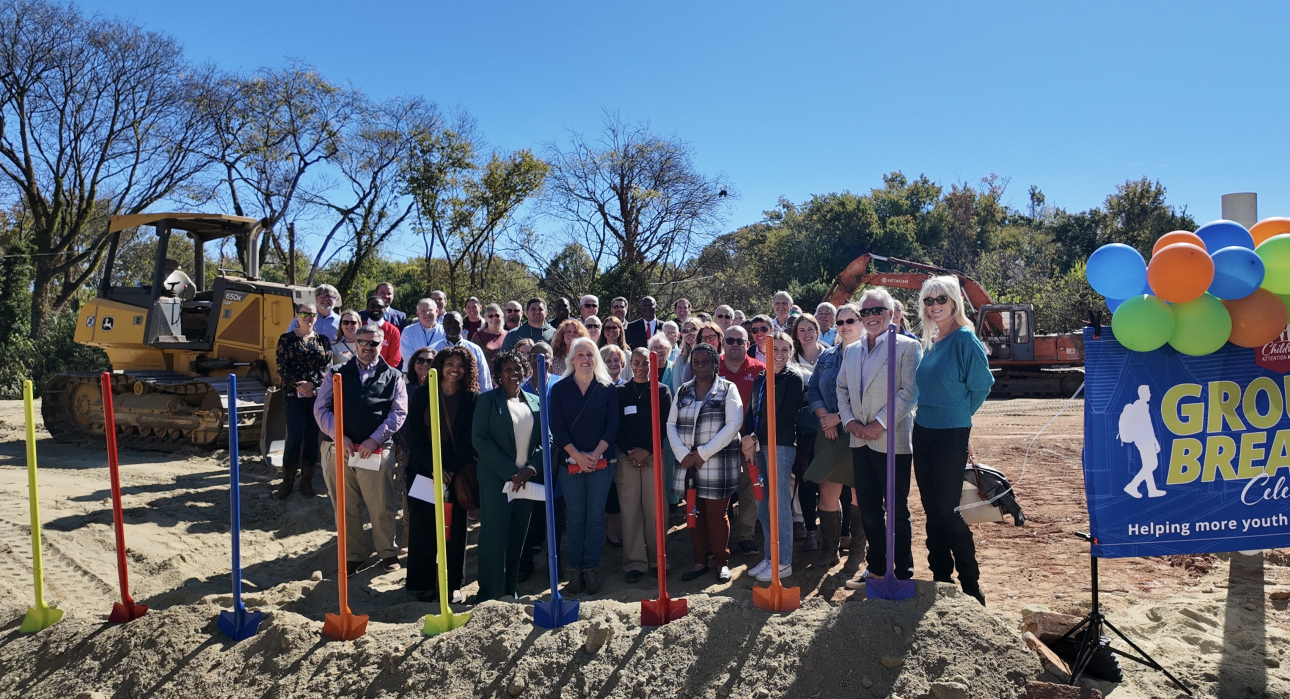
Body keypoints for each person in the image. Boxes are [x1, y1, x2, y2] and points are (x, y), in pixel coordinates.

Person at [913, 275, 994, 605]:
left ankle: (971, 585)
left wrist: (961, 421)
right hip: (923, 431)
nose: (934, 306)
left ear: (954, 302)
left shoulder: (964, 339)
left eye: (941, 299)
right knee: (932, 509)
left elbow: (982, 385)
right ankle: (941, 577)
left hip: (950, 434)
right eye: (928, 300)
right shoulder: (932, 341)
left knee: (948, 510)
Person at [835, 289, 922, 590]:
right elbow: (842, 389)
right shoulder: (852, 350)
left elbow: (909, 391)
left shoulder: (907, 347)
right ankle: (876, 568)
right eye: (866, 312)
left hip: (892, 440)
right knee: (869, 508)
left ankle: (902, 572)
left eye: (877, 311)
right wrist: (849, 421)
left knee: (896, 509)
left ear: (890, 313)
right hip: (859, 439)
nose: (871, 317)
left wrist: (879, 424)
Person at [314, 323, 408, 575]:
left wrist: (375, 439)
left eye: (373, 343)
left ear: (381, 345)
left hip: (375, 450)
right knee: (345, 505)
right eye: (363, 342)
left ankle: (387, 552)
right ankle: (353, 555)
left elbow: (398, 412)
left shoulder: (394, 376)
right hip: (339, 449)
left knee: (381, 504)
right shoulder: (336, 373)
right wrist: (339, 435)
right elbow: (321, 408)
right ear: (355, 344)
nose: (368, 347)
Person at [401, 346, 479, 603]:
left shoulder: (471, 398)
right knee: (423, 527)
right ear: (441, 366)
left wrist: (451, 469)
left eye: (461, 365)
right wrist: (434, 466)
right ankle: (423, 583)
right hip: (424, 469)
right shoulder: (423, 394)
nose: (455, 369)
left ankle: (452, 585)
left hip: (456, 472)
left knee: (454, 530)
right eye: (450, 363)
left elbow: (469, 439)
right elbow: (412, 434)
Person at [549, 337, 620, 594]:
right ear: (572, 359)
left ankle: (591, 568)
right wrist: (578, 456)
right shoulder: (560, 389)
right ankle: (574, 570)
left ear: (596, 359)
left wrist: (595, 455)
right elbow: (557, 427)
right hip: (570, 463)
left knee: (595, 517)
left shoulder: (607, 388)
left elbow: (612, 426)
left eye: (590, 354)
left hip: (602, 463)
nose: (585, 359)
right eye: (580, 355)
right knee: (576, 517)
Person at [667, 342, 743, 583]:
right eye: (696, 362)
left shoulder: (728, 389)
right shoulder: (683, 391)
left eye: (705, 362)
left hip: (717, 464)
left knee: (716, 515)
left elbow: (733, 424)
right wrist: (682, 454)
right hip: (688, 465)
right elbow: (671, 424)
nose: (700, 366)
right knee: (694, 513)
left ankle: (721, 561)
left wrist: (703, 453)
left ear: (715, 364)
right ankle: (700, 561)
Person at [473, 349, 544, 601]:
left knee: (517, 539)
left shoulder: (535, 401)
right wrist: (512, 473)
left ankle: (509, 592)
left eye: (518, 368)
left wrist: (530, 469)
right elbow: (480, 439)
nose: (514, 373)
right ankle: (489, 595)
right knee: (494, 538)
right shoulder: (487, 401)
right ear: (499, 376)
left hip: (526, 482)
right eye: (508, 369)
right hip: (496, 481)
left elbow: (546, 440)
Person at [803, 303, 866, 568]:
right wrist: (824, 418)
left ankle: (857, 552)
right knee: (827, 490)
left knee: (859, 492)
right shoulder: (827, 356)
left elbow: (869, 395)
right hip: (828, 432)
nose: (844, 326)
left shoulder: (869, 354)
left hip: (858, 431)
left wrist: (839, 417)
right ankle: (830, 551)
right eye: (840, 322)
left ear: (861, 323)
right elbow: (814, 389)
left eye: (850, 321)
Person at [741, 331, 804, 582]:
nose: (779, 354)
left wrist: (754, 437)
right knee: (763, 504)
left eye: (784, 349)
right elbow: (751, 410)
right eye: (774, 349)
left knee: (779, 505)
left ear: (790, 352)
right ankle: (770, 556)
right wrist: (748, 438)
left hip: (780, 445)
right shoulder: (760, 377)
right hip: (758, 445)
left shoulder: (793, 378)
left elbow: (784, 417)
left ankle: (783, 561)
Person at [616, 347, 673, 584]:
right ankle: (635, 563)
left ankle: (659, 559)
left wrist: (647, 450)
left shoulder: (662, 390)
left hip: (654, 455)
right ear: (630, 364)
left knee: (656, 508)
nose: (641, 367)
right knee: (630, 510)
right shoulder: (620, 391)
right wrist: (631, 453)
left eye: (645, 363)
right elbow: (615, 425)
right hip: (627, 457)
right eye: (636, 363)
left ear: (653, 365)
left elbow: (666, 424)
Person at [276, 302, 332, 500]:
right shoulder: (286, 340)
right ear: (297, 315)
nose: (308, 317)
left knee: (311, 437)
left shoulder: (323, 340)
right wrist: (300, 386)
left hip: (317, 394)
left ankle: (306, 481)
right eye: (304, 314)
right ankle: (287, 481)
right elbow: (282, 367)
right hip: (293, 394)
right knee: (294, 437)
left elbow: (327, 367)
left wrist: (312, 384)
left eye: (312, 314)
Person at [718, 324, 765, 555]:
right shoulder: (711, 367)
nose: (735, 345)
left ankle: (745, 536)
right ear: (723, 343)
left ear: (748, 344)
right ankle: (719, 538)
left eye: (740, 341)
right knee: (720, 491)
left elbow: (766, 409)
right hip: (718, 443)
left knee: (750, 490)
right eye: (730, 340)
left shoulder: (760, 370)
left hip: (750, 441)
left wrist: (754, 438)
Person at [790, 313, 827, 550]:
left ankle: (835, 531)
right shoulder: (790, 359)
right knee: (806, 479)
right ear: (796, 334)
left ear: (817, 331)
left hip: (831, 426)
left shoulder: (831, 355)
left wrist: (808, 395)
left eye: (810, 329)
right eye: (801, 330)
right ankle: (811, 530)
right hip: (803, 430)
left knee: (833, 480)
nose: (806, 334)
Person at [431, 311, 494, 392]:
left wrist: (486, 397)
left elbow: (484, 377)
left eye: (456, 323)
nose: (452, 326)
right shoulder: (433, 350)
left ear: (462, 325)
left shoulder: (475, 349)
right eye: (449, 323)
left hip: (469, 396)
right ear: (443, 325)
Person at [363, 296, 403, 369]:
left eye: (379, 307)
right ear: (367, 308)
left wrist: (380, 372)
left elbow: (395, 357)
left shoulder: (393, 331)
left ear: (384, 309)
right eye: (372, 306)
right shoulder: (359, 327)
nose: (376, 309)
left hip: (383, 372)